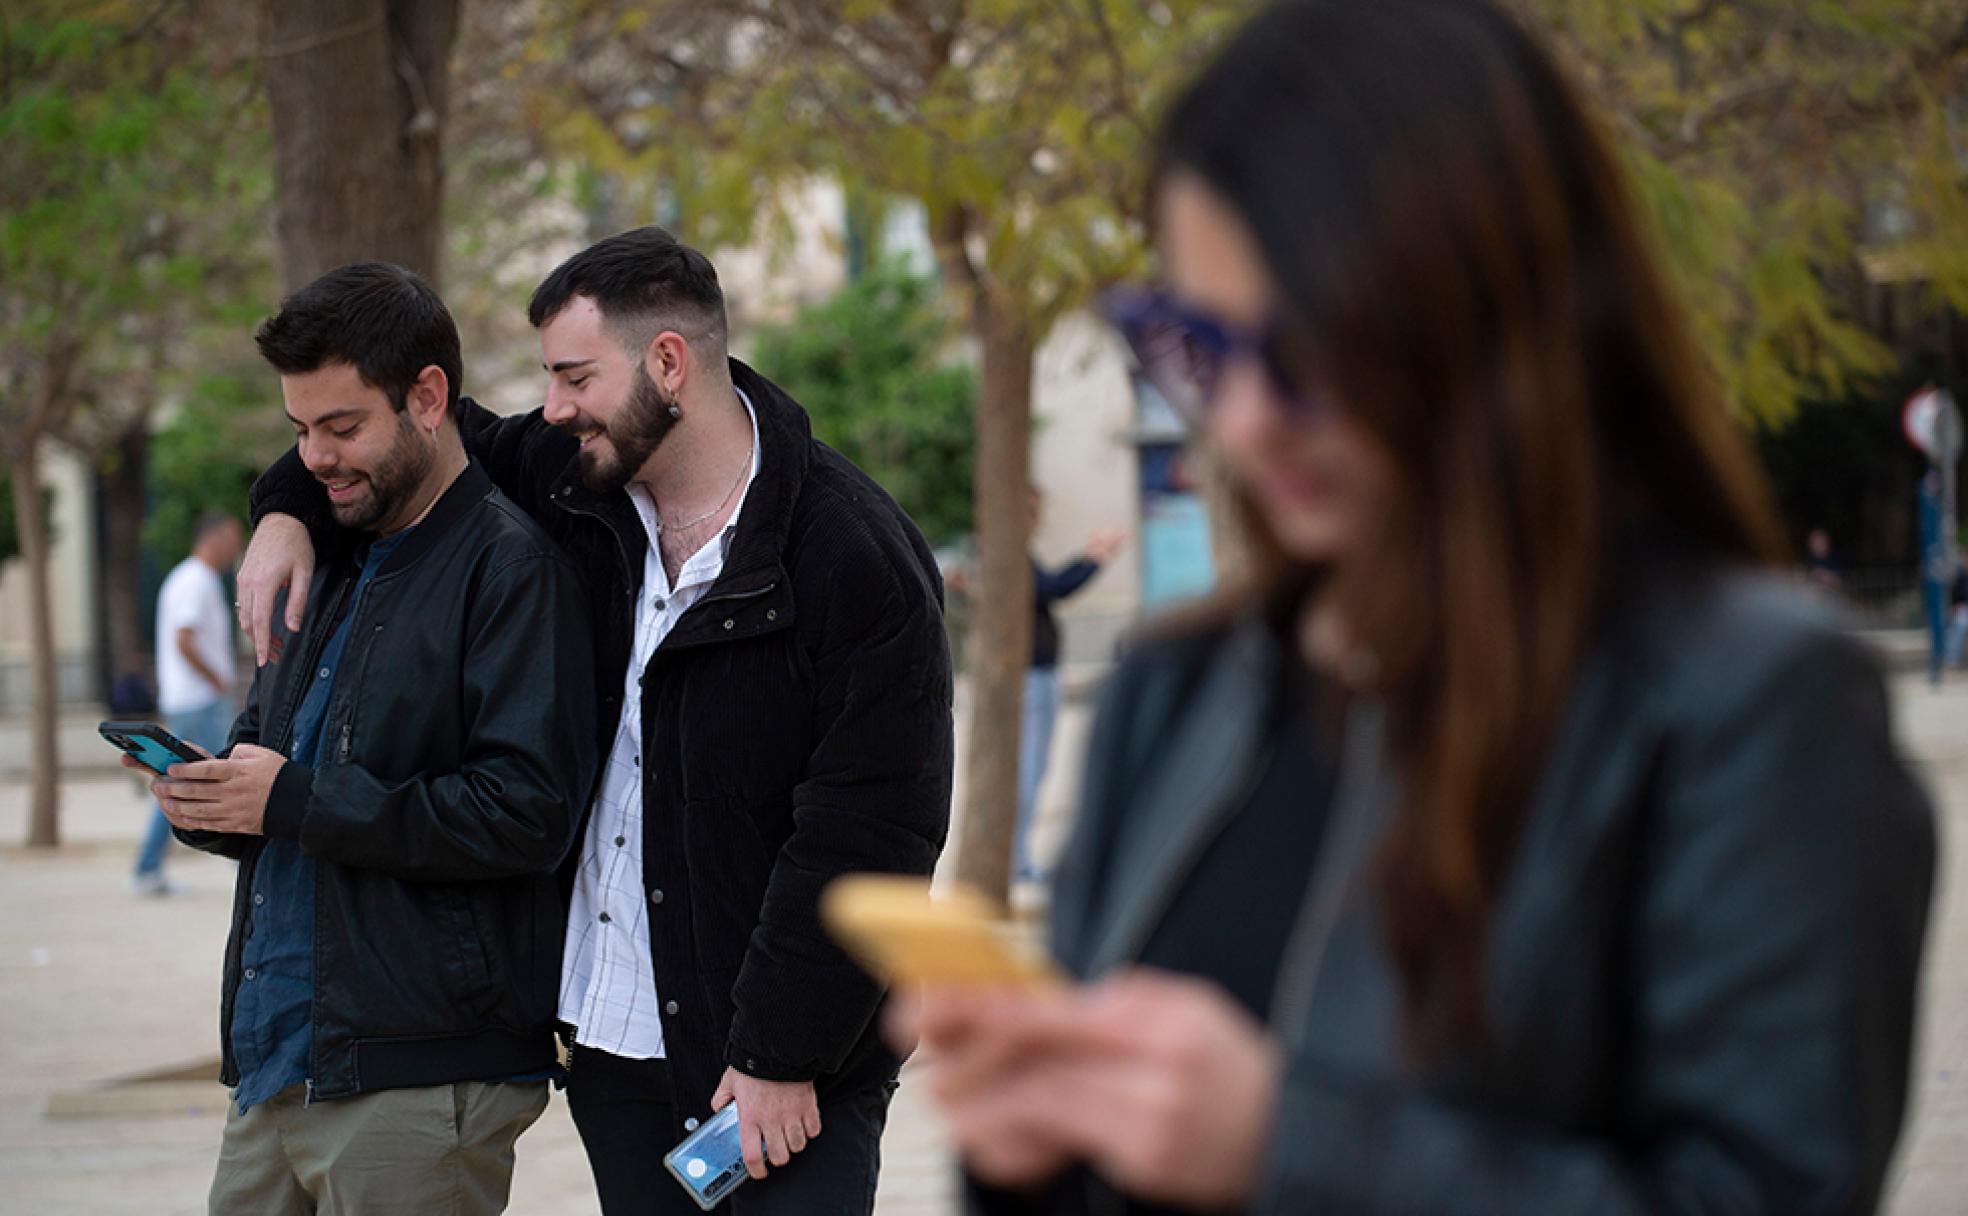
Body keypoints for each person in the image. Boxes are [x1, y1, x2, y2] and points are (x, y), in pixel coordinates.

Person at [895, 3, 1938, 1213]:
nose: (1246, 418)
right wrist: (1029, 1150)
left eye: (1314, 342)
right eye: (1199, 347)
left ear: (1492, 308)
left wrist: (1288, 1148)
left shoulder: (1753, 702)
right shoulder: (1174, 689)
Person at [235, 228, 954, 1215]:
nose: (555, 406)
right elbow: (409, 434)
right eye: (548, 377)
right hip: (614, 1052)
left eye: (575, 376)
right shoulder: (578, 482)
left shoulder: (848, 550)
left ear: (667, 363)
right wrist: (282, 508)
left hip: (784, 1069)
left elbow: (873, 831)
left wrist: (779, 1053)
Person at [136, 263, 597, 1214]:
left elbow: (527, 815)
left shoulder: (514, 571)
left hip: (417, 1080)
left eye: (343, 428)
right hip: (275, 1062)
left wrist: (292, 800)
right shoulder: (323, 557)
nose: (316, 458)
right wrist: (212, 803)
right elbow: (270, 769)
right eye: (301, 431)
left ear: (429, 397)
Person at [133, 511, 243, 896]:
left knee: (187, 782)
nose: (236, 548)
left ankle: (151, 868)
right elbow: (184, 638)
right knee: (193, 783)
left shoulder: (190, 578)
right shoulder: (196, 580)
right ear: (212, 538)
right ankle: (149, 868)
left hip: (192, 699)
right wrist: (216, 680)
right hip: (200, 700)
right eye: (232, 538)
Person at [1018, 489, 1125, 882]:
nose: (1037, 519)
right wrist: (1095, 557)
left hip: (1039, 672)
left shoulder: (1017, 554)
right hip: (1030, 676)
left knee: (1037, 769)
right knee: (1029, 770)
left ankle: (1021, 859)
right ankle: (1018, 862)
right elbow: (1053, 588)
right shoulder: (1008, 554)